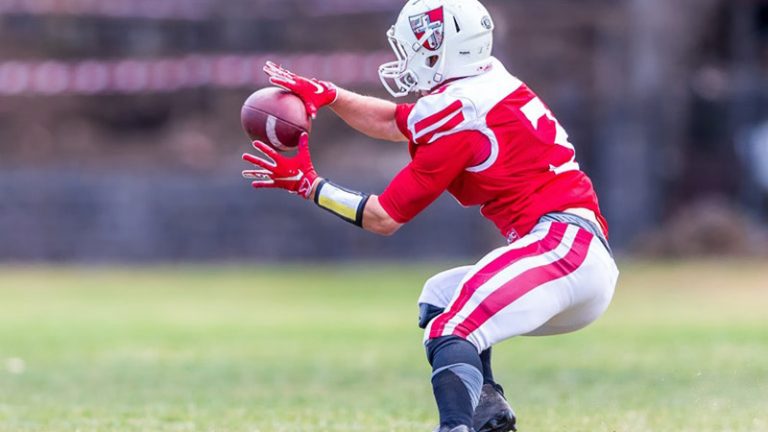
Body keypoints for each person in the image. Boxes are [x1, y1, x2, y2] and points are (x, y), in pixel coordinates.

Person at [241, 1, 619, 431]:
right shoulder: (483, 83)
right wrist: (331, 95)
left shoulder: (462, 114)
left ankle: (455, 426)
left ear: (445, 49)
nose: (408, 57)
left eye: (416, 46)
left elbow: (383, 217)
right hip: (569, 252)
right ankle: (487, 413)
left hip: (561, 248)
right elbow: (395, 122)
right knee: (440, 296)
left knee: (452, 328)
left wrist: (312, 187)